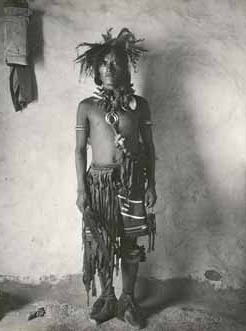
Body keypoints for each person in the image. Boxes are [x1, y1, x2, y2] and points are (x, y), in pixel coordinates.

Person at [75, 28, 157, 329]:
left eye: (116, 62)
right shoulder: (87, 107)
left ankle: (127, 299)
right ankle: (108, 297)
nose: (109, 68)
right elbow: (79, 151)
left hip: (132, 180)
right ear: (96, 68)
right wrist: (81, 189)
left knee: (131, 243)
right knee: (101, 242)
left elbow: (149, 148)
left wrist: (152, 184)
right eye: (104, 62)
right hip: (98, 184)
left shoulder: (140, 106)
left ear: (126, 68)